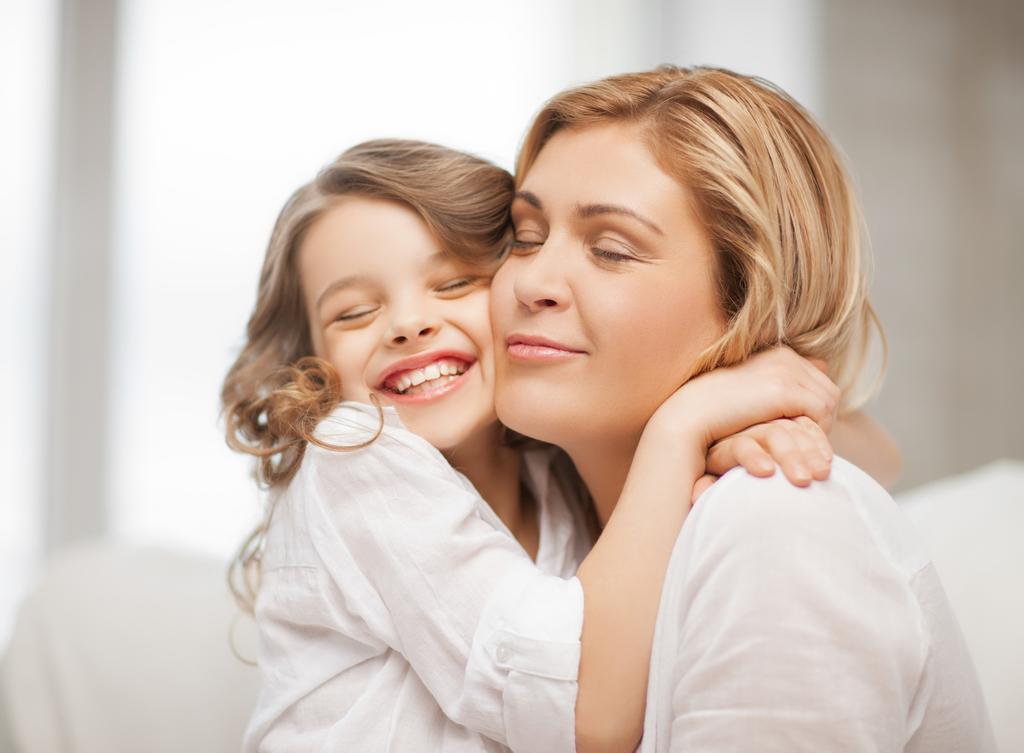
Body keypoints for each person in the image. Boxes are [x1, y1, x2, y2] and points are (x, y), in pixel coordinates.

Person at [221, 138, 891, 752]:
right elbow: (580, 713)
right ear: (311, 365)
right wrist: (684, 426)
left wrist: (736, 429)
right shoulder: (352, 452)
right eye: (354, 313)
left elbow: (874, 456)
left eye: (454, 282)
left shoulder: (554, 467)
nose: (408, 324)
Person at [490, 65, 995, 752]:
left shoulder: (773, 521)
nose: (533, 281)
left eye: (611, 249)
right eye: (524, 235)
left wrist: (684, 423)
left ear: (748, 301)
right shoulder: (543, 522)